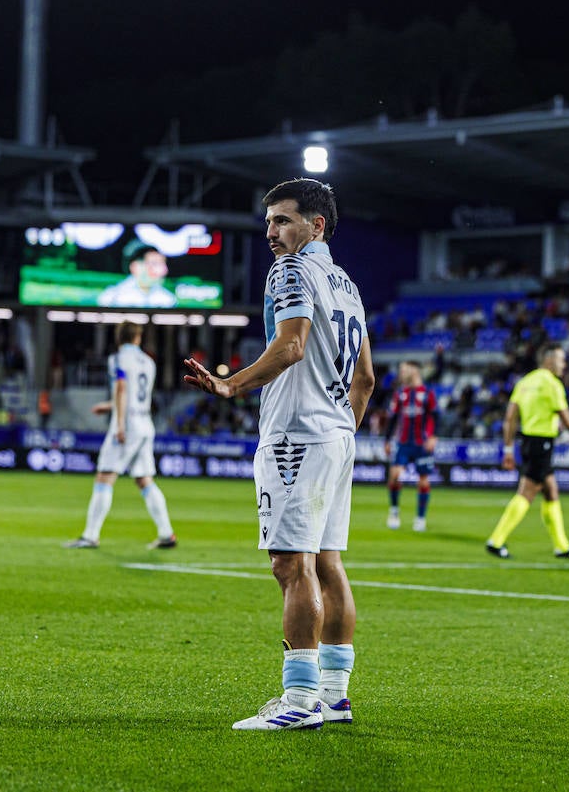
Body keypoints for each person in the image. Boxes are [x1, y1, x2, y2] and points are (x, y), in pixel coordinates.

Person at [184, 178, 375, 732]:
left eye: (283, 220)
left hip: (297, 435)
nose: (271, 232)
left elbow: (291, 344)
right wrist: (341, 428)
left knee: (291, 566)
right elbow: (364, 378)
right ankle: (335, 697)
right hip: (337, 436)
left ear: (315, 226)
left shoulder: (291, 271)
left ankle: (298, 701)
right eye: (269, 221)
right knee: (328, 564)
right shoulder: (348, 284)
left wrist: (229, 386)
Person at [65, 320, 177, 550]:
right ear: (138, 338)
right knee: (144, 479)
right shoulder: (148, 362)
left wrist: (118, 424)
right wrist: (110, 406)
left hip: (127, 424)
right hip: (145, 422)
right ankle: (166, 534)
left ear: (119, 337)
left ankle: (90, 535)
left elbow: (122, 388)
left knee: (104, 477)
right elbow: (136, 395)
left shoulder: (118, 358)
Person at [485, 343, 569, 559]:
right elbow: (567, 418)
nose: (564, 365)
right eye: (561, 360)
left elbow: (509, 418)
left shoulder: (525, 382)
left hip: (527, 442)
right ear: (549, 360)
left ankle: (562, 547)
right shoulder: (552, 384)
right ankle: (496, 540)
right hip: (542, 442)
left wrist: (508, 449)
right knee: (527, 492)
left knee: (550, 491)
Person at [382, 360, 438, 531]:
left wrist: (433, 436)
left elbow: (436, 416)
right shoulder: (400, 394)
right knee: (395, 475)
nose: (402, 373)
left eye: (404, 369)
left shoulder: (427, 393)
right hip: (403, 443)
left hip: (422, 444)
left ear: (415, 371)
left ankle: (420, 519)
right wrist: (387, 440)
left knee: (423, 481)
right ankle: (394, 511)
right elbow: (392, 419)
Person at [97, 240, 178, 308]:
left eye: (163, 264)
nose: (163, 270)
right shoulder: (111, 298)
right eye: (155, 263)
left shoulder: (168, 299)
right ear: (135, 266)